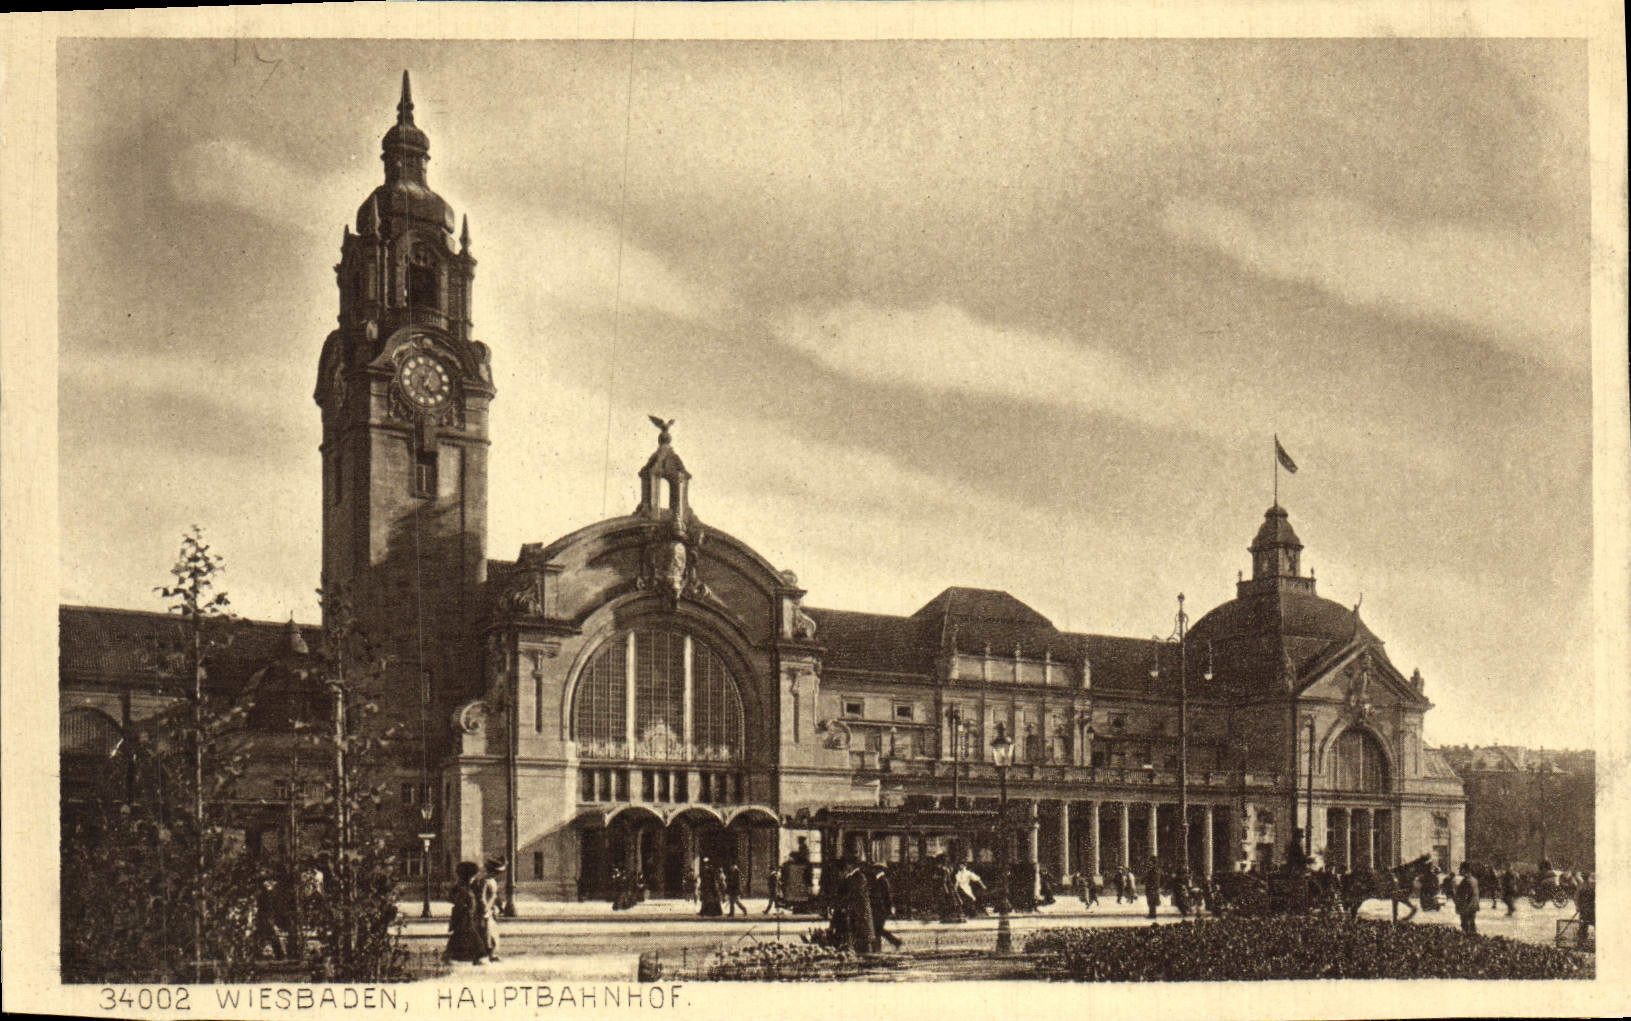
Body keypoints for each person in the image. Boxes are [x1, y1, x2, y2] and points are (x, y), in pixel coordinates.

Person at [445, 861, 485, 964]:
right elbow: (457, 901)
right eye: (472, 877)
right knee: (472, 935)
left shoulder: (466, 888)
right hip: (465, 917)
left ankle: (450, 955)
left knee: (460, 936)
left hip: (467, 916)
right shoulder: (464, 890)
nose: (473, 879)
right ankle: (480, 956)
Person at [868, 863, 904, 948]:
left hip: (881, 909)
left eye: (875, 869)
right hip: (879, 909)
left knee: (877, 929)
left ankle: (892, 942)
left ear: (880, 870)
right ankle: (895, 942)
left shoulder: (882, 880)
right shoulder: (879, 879)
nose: (873, 870)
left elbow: (887, 896)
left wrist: (889, 908)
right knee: (878, 929)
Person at [477, 858, 505, 963]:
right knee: (487, 934)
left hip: (491, 911)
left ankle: (492, 954)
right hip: (485, 912)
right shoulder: (484, 881)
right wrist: (484, 910)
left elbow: (495, 896)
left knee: (493, 933)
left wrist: (500, 906)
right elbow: (482, 897)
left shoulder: (492, 881)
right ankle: (487, 955)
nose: (498, 874)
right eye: (497, 872)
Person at [1453, 861, 1479, 935]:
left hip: (1467, 906)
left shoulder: (1466, 881)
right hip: (1474, 905)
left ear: (1464, 870)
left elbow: (1462, 894)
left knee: (1465, 925)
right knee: (1472, 923)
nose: (1460, 871)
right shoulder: (1474, 879)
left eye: (1461, 869)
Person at [1575, 873, 1595, 948]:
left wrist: (1577, 907)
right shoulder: (1592, 886)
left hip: (1584, 910)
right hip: (1591, 910)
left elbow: (1576, 897)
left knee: (1583, 927)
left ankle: (1581, 943)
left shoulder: (1581, 886)